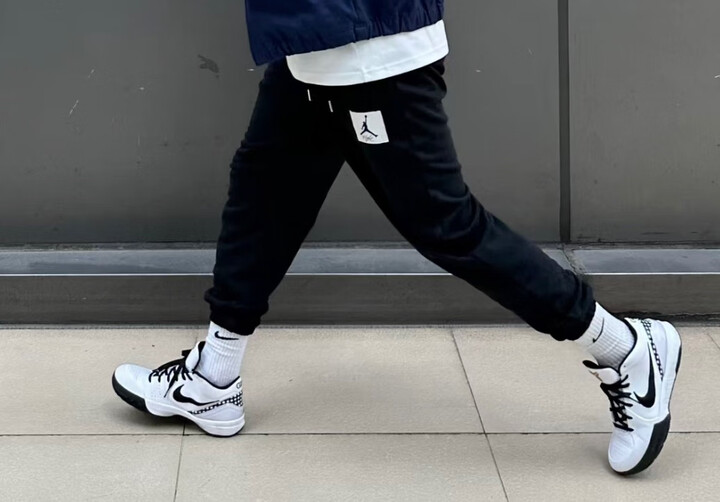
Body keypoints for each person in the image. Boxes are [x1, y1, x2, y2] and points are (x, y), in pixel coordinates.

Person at [112, 1, 682, 475]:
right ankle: (214, 377)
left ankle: (627, 348)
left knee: (449, 228)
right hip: (315, 42)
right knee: (263, 194)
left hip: (368, 49)